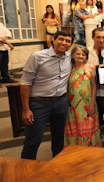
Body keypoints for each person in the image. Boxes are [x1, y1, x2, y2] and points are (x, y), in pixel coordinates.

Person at [21, 31, 73, 160]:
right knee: (34, 139)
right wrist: (26, 109)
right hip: (39, 103)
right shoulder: (37, 57)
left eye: (68, 41)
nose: (64, 43)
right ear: (53, 40)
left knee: (59, 137)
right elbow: (25, 82)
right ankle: (25, 171)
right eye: (61, 39)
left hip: (61, 102)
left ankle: (57, 164)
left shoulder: (70, 58)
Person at [64, 45, 101, 147]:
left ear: (86, 56)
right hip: (72, 104)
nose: (80, 56)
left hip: (88, 102)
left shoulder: (91, 67)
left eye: (83, 54)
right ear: (72, 55)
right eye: (78, 54)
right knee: (74, 128)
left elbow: (93, 86)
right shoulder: (68, 68)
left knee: (88, 128)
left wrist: (93, 104)